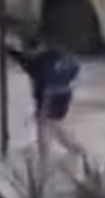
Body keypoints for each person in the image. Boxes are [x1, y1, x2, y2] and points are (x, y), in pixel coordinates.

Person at [7, 31, 86, 173]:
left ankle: (47, 159)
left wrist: (10, 51)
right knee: (54, 124)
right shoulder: (58, 55)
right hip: (64, 93)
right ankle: (73, 148)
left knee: (44, 125)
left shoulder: (37, 62)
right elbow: (75, 68)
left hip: (49, 96)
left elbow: (24, 61)